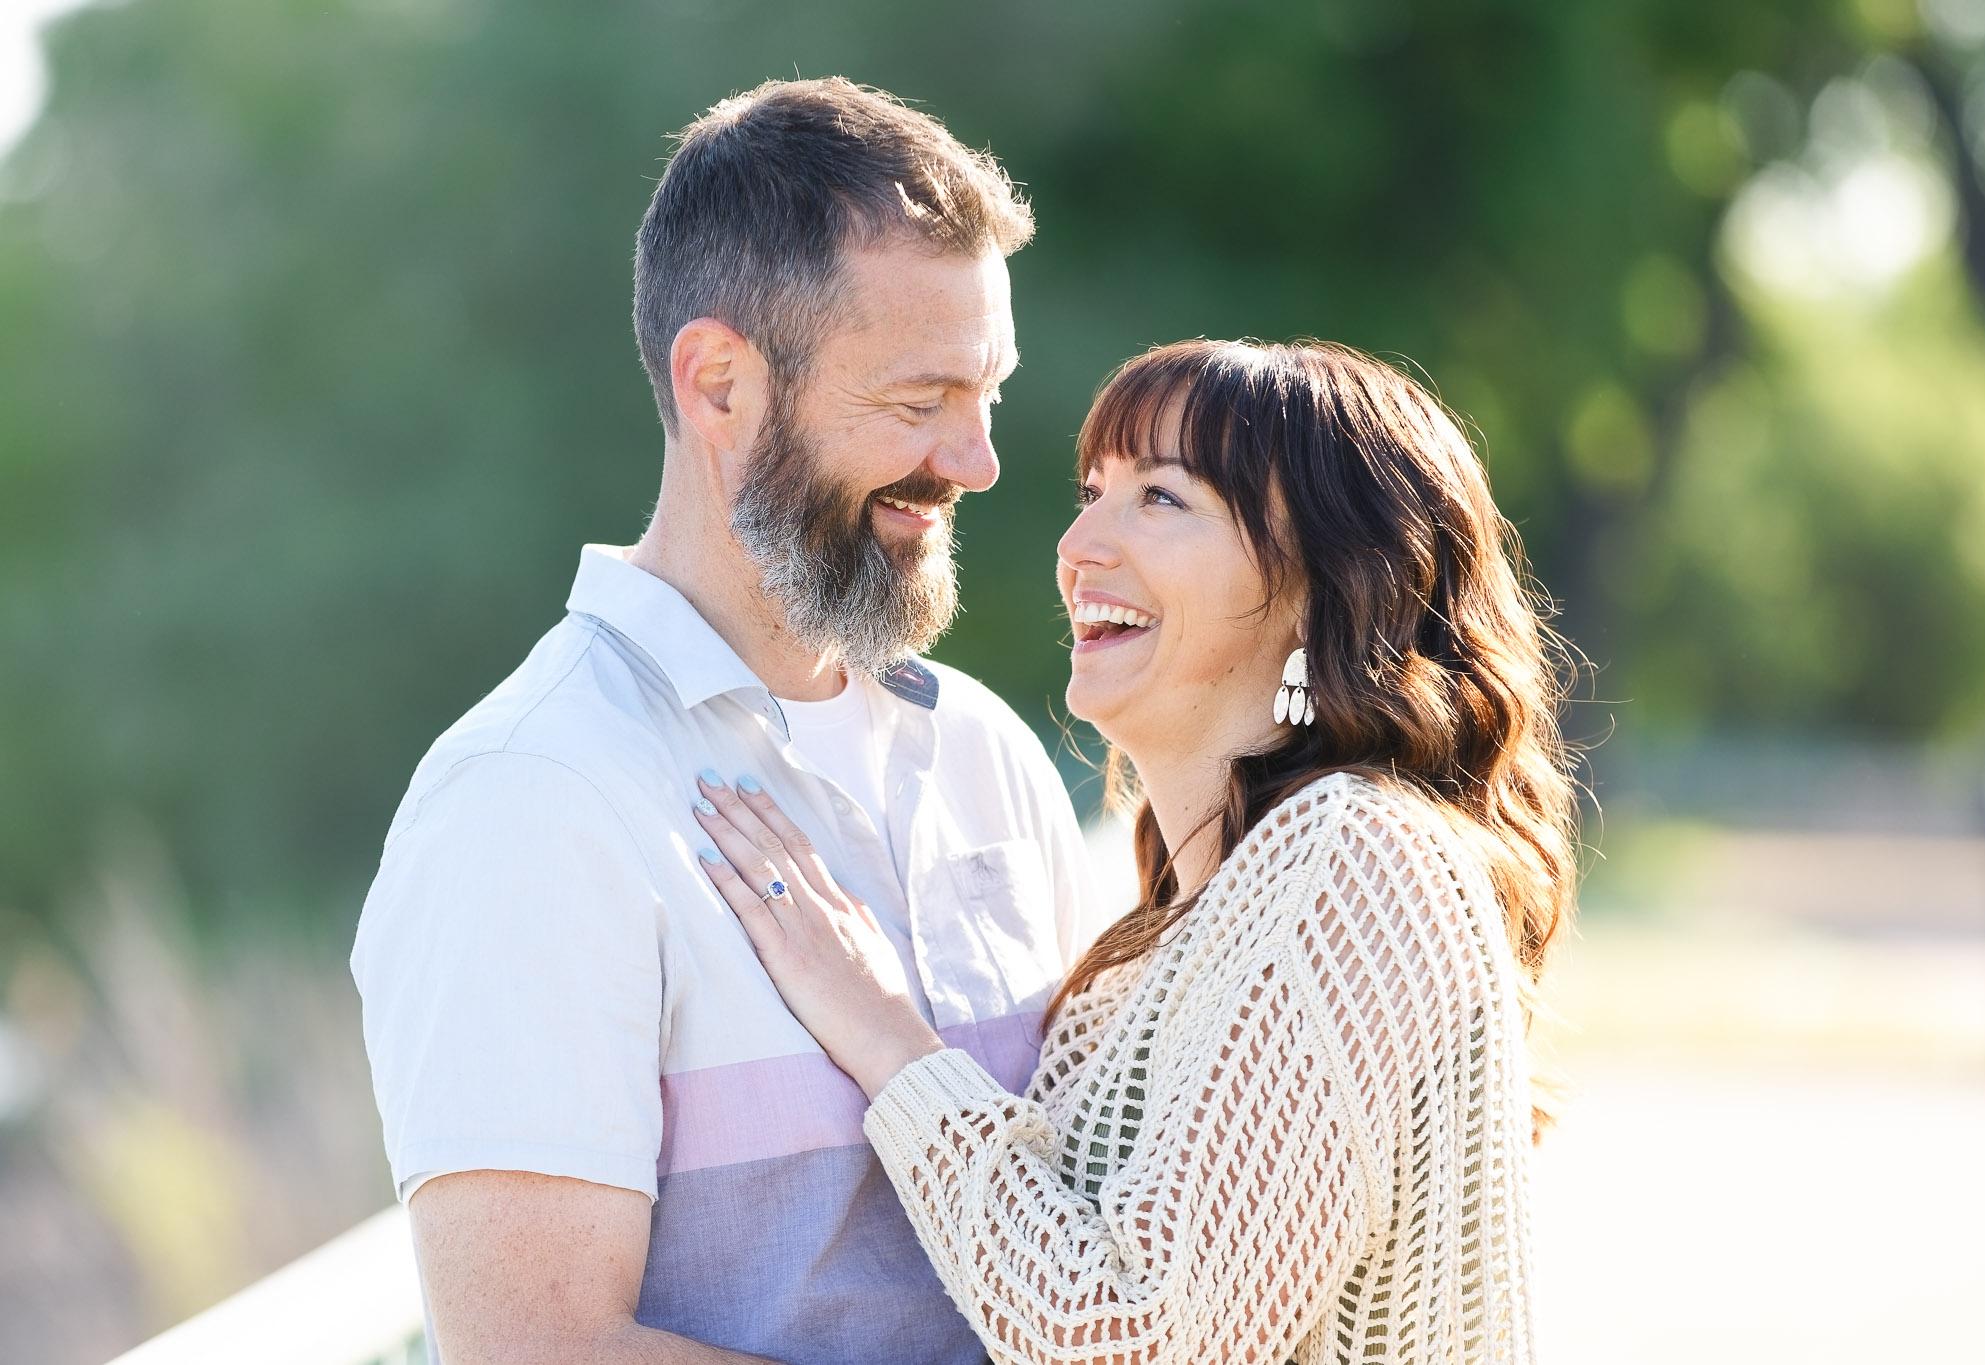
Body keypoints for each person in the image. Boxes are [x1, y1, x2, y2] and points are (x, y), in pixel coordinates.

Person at [350, 79, 1096, 1365]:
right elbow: (539, 1350)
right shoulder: (530, 798)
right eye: (919, 403)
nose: (975, 462)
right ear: (719, 386)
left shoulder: (986, 754)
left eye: (987, 394)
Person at [691, 338, 1579, 1364]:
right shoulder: (1186, 926)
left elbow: (1136, 1331)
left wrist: (883, 1036)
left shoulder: (1360, 855)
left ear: (1325, 587)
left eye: (1159, 499)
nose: (1077, 544)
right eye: (1090, 492)